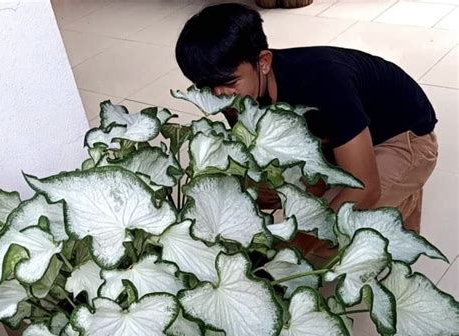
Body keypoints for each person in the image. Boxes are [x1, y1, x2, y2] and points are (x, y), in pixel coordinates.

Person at [175, 2, 438, 253]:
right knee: (276, 194)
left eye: (229, 82)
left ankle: (404, 196)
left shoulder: (323, 82)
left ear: (263, 62)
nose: (219, 96)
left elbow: (364, 188)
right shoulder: (235, 94)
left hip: (403, 135)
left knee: (329, 225)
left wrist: (292, 249)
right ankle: (397, 199)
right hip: (337, 139)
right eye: (206, 86)